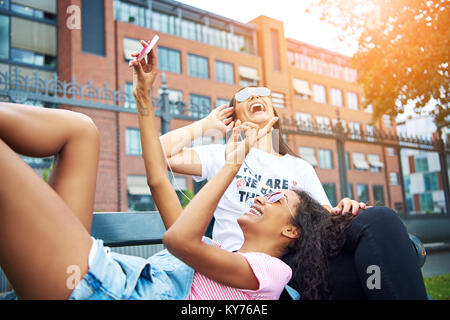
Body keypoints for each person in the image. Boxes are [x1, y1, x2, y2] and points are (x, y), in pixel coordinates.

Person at [0, 46, 354, 300]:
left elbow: (178, 240)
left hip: (102, 287)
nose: (262, 196)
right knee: (82, 130)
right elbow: (157, 177)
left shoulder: (273, 273)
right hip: (101, 275)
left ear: (292, 229)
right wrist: (143, 98)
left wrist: (350, 208)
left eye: (277, 198)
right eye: (245, 95)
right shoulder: (213, 246)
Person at [157, 57, 428, 299]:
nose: (255, 97)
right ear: (233, 115)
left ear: (275, 114)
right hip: (245, 265)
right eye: (245, 96)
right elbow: (158, 155)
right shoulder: (222, 155)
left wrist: (344, 209)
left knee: (373, 227)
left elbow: (321, 222)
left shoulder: (300, 167)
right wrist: (207, 125)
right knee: (377, 255)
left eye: (262, 93)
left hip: (299, 252)